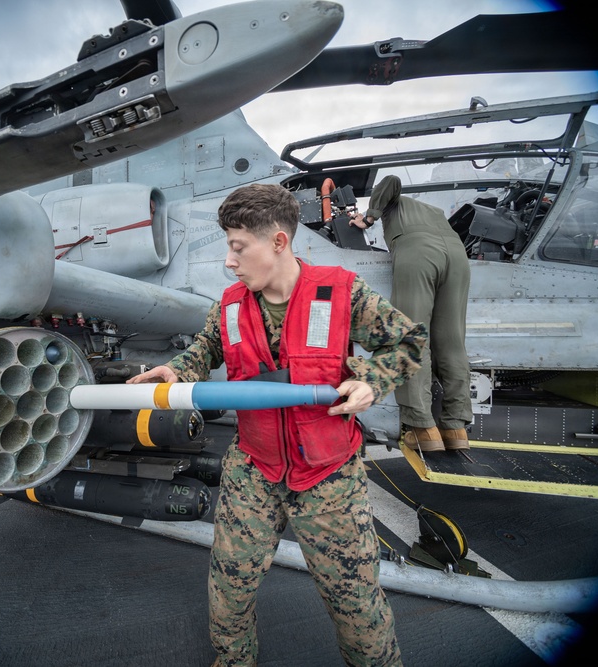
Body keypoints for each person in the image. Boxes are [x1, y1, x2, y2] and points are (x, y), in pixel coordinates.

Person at [128, 183, 426, 667]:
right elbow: (204, 350)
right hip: (254, 468)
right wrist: (175, 371)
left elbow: (408, 342)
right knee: (229, 589)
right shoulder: (230, 305)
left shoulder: (342, 292)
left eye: (238, 247)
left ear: (279, 242)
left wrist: (372, 379)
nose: (230, 261)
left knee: (357, 606)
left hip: (328, 476)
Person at [351, 174, 473, 452]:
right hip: (457, 254)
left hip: (419, 253)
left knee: (413, 338)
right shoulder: (434, 212)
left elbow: (391, 181)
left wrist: (368, 218)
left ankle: (422, 428)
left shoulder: (395, 203)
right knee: (452, 342)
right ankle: (455, 427)